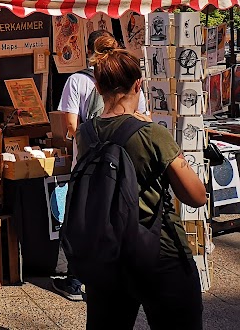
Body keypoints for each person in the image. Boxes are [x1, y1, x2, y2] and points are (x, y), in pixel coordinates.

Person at [79, 36, 206, 329]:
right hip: (159, 251)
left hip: (108, 253)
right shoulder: (151, 134)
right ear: (139, 85)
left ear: (97, 87)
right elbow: (196, 196)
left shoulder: (86, 134)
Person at [53, 30, 148, 301]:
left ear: (87, 48)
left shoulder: (77, 80)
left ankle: (75, 279)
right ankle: (120, 273)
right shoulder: (130, 80)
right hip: (124, 159)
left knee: (86, 217)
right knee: (120, 212)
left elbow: (71, 126)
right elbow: (141, 115)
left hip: (87, 161)